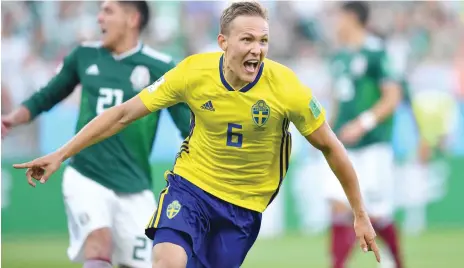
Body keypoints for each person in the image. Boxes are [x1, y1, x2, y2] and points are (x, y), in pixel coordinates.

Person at [13, 2, 380, 268]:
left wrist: (360, 213)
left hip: (244, 207)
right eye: (247, 39)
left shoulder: (288, 89)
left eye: (264, 41)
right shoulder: (192, 73)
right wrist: (60, 154)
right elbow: (123, 114)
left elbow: (331, 148)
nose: (257, 49)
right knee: (167, 262)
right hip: (191, 188)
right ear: (223, 42)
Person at [3, 1, 191, 268]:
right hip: (86, 175)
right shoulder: (83, 56)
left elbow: (188, 126)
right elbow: (47, 96)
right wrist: (12, 118)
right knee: (99, 241)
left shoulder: (160, 67)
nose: (99, 18)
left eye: (108, 11)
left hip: (135, 187)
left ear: (132, 18)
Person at [323, 2, 403, 268]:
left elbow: (392, 98)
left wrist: (362, 123)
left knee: (378, 215)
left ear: (352, 18)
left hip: (372, 147)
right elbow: (337, 103)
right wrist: (324, 134)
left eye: (339, 18)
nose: (335, 23)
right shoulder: (338, 57)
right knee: (337, 205)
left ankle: (395, 263)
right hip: (343, 148)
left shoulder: (375, 52)